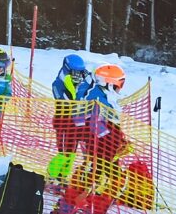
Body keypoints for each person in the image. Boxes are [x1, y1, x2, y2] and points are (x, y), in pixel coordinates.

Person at [56, 64, 130, 214]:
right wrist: (112, 140)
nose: (119, 88)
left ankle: (85, 207)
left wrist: (120, 139)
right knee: (94, 181)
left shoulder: (101, 95)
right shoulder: (96, 97)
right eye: (118, 84)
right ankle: (69, 208)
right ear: (108, 83)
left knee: (104, 181)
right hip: (99, 151)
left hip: (103, 151)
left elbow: (109, 123)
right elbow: (93, 124)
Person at [48, 54, 92, 185]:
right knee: (64, 152)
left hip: (77, 123)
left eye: (80, 73)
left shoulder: (79, 83)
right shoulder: (58, 84)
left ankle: (63, 177)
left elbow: (91, 81)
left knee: (72, 153)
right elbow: (67, 101)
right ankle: (51, 175)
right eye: (75, 73)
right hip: (64, 123)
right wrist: (75, 92)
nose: (78, 76)